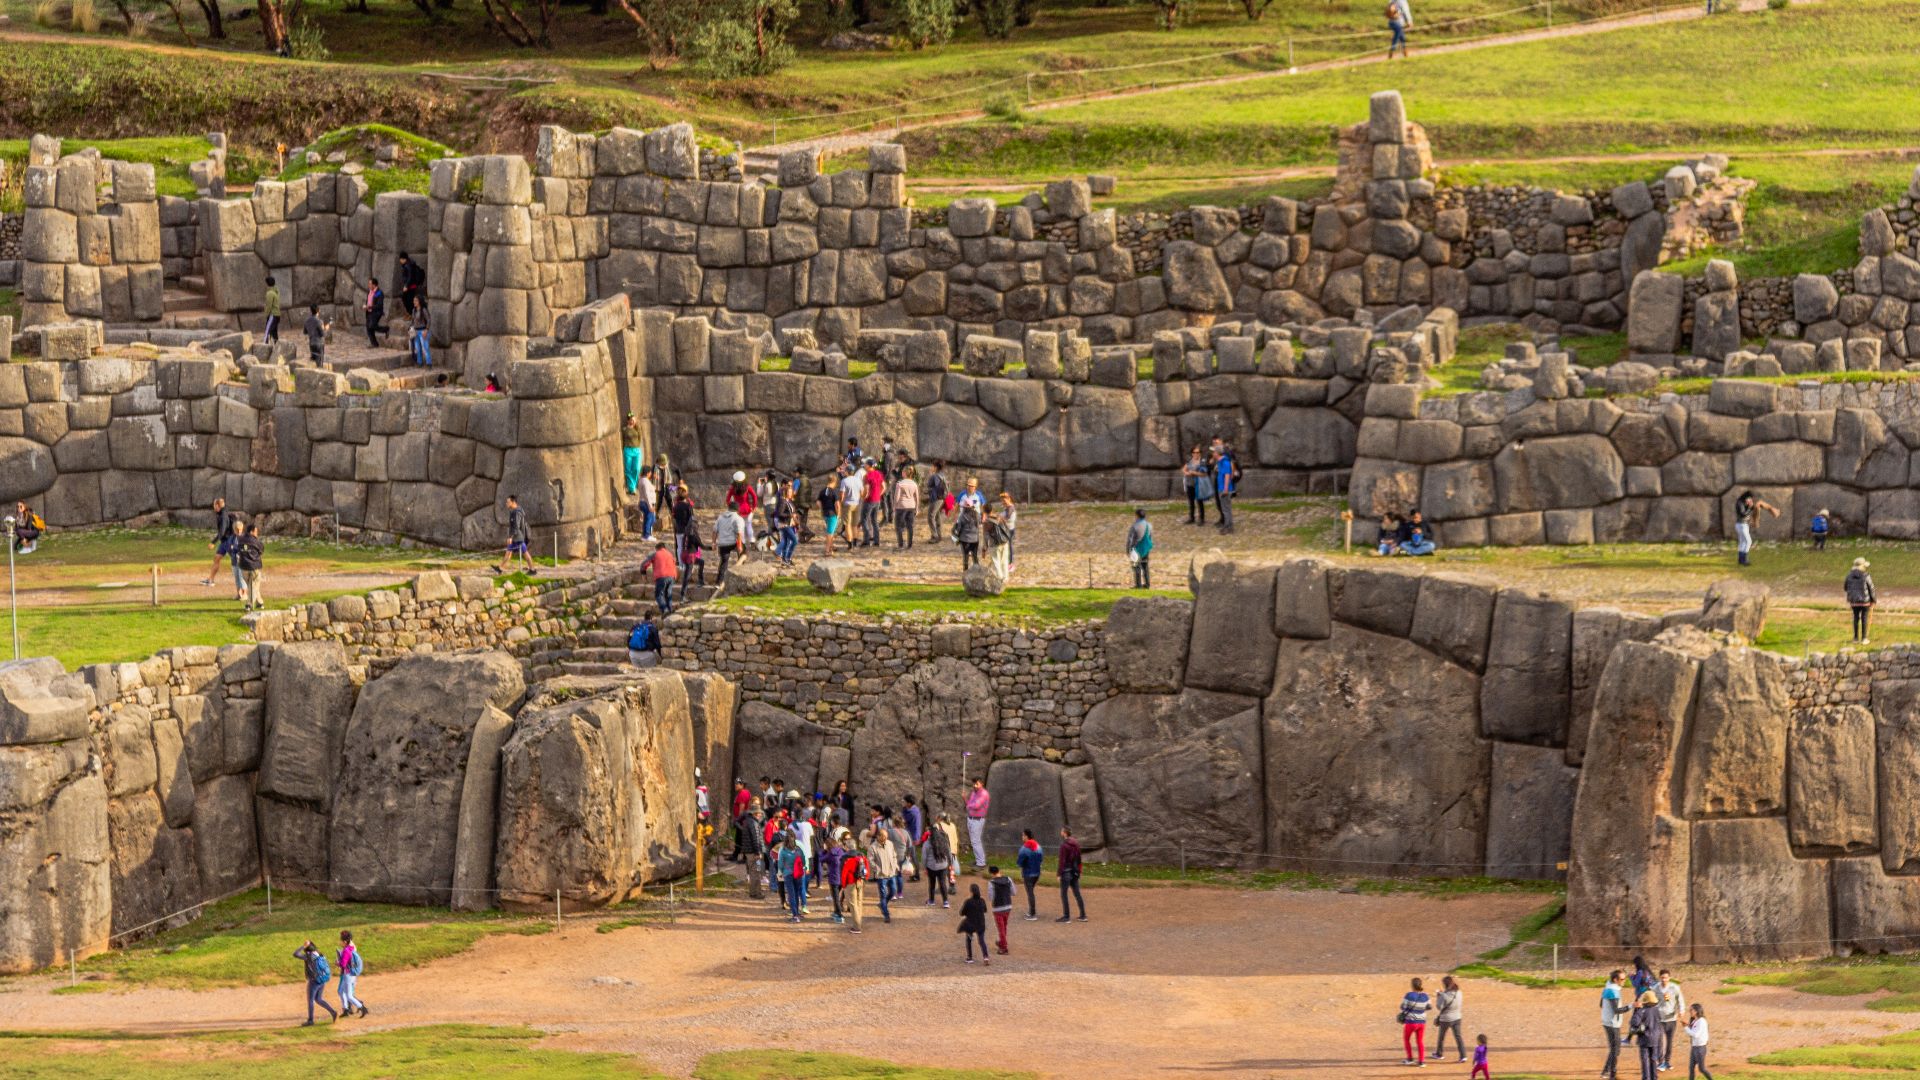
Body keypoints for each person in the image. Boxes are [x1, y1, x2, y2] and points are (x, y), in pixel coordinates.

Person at [294, 941, 338, 1025]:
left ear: (307, 949)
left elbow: (295, 954)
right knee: (318, 999)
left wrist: (303, 946)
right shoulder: (319, 954)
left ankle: (310, 1020)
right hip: (322, 980)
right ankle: (333, 1012)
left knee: (310, 1000)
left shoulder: (308, 956)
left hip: (314, 981)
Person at [1732, 490, 1779, 566]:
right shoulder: (1740, 503)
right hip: (1741, 525)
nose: (1750, 500)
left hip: (1744, 525)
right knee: (1748, 541)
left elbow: (1752, 510)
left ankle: (1741, 559)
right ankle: (1744, 559)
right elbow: (1743, 514)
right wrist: (1750, 508)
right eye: (1749, 498)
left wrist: (1751, 508)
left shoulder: (1744, 502)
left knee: (1742, 542)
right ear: (1746, 497)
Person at [492, 494, 536, 575]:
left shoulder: (516, 512)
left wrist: (510, 537)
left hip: (518, 538)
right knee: (509, 552)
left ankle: (532, 570)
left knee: (525, 553)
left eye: (508, 502)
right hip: (517, 537)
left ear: (513, 502)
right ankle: (500, 568)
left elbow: (516, 526)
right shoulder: (516, 511)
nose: (506, 503)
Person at [868, 820, 900, 923]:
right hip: (881, 875)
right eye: (883, 836)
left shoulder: (890, 844)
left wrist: (895, 865)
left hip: (891, 873)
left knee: (893, 891)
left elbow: (894, 855)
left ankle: (882, 904)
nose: (885, 839)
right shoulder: (873, 847)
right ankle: (886, 914)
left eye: (886, 837)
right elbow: (870, 860)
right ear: (878, 836)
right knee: (883, 894)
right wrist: (877, 869)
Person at [201, 496, 236, 587]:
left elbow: (222, 531)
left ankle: (250, 576)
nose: (213, 507)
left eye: (214, 505)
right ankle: (210, 580)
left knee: (237, 560)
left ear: (217, 505)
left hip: (229, 541)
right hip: (224, 541)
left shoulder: (223, 515)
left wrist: (213, 542)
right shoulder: (221, 513)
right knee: (216, 558)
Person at [1629, 989, 1664, 1080]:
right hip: (1656, 1038)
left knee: (1645, 1060)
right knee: (1653, 1059)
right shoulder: (1657, 1010)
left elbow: (1634, 1022)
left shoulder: (1642, 1010)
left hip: (1644, 1039)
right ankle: (1654, 1077)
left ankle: (1646, 1078)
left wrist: (1637, 1010)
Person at [1431, 975, 1465, 1063]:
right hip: (1457, 1017)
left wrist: (1439, 996)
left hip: (1446, 1019)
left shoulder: (1444, 996)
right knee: (1458, 1037)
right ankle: (1463, 1056)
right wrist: (1443, 994)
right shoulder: (1459, 992)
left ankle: (1439, 1054)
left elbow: (1439, 1007)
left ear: (1445, 985)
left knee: (1441, 1037)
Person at [1657, 969, 1687, 1071]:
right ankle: (1660, 1062)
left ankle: (1667, 1062)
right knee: (1660, 1041)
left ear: (1669, 978)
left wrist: (1681, 1011)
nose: (1664, 979)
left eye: (1666, 977)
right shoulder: (1655, 988)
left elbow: (1681, 1000)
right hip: (1659, 1019)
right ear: (1659, 978)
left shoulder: (1675, 988)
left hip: (1671, 1019)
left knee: (1669, 1042)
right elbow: (1650, 999)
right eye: (1662, 977)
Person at [1399, 976, 1431, 1066]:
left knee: (1406, 1039)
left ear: (1412, 985)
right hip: (1422, 1022)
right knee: (1420, 1041)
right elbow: (1429, 1007)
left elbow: (1403, 1007)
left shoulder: (1409, 995)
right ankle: (1421, 1061)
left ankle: (1410, 1058)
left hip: (1411, 1022)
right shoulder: (1425, 996)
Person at [1057, 826, 1086, 922]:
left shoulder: (1064, 845)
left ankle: (1066, 916)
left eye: (1062, 830)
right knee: (1077, 893)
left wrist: (1059, 874)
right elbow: (1079, 859)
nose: (1060, 832)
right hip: (1074, 872)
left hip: (1066, 872)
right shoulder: (1076, 844)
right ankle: (1083, 915)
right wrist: (1079, 871)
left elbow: (1062, 861)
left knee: (1064, 894)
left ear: (1065, 833)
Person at [336, 930, 368, 1018]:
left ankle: (362, 1008)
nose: (340, 942)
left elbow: (343, 964)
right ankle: (345, 1009)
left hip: (348, 975)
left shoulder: (346, 951)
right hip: (350, 974)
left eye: (341, 940)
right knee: (340, 991)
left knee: (349, 996)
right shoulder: (350, 948)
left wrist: (337, 963)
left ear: (345, 942)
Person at [1602, 970, 1627, 1080]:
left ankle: (1607, 1071)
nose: (1624, 981)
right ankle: (1611, 1074)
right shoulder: (1612, 991)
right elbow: (1617, 1010)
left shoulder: (1608, 988)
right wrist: (1631, 1006)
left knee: (1615, 1049)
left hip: (1608, 1022)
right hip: (1612, 1024)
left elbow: (1600, 1004)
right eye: (1622, 979)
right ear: (1615, 980)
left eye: (1624, 978)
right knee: (1615, 1050)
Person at [925, 813, 954, 907]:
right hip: (943, 866)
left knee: (932, 884)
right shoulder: (944, 841)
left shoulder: (927, 843)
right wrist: (950, 864)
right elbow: (949, 854)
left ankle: (931, 901)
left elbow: (924, 857)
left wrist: (925, 867)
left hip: (931, 867)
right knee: (943, 883)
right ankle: (946, 902)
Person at [236, 522, 265, 612]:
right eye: (256, 531)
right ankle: (249, 604)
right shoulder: (257, 541)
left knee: (252, 586)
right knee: (254, 585)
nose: (257, 533)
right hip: (254, 567)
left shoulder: (240, 539)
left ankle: (260, 602)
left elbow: (238, 550)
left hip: (243, 567)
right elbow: (261, 550)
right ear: (252, 532)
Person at [958, 883, 990, 965]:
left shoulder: (968, 902)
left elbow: (962, 913)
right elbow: (985, 910)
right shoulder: (982, 900)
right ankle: (986, 956)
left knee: (968, 940)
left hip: (970, 924)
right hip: (980, 924)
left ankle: (969, 957)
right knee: (982, 941)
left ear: (971, 892)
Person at [841, 840, 868, 934]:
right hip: (860, 881)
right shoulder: (861, 856)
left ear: (847, 847)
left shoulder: (845, 858)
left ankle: (857, 927)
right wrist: (865, 879)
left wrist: (843, 885)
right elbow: (866, 868)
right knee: (859, 902)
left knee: (852, 903)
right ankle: (858, 922)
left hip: (850, 882)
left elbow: (844, 873)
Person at [1847, 557, 1876, 645]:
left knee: (1856, 618)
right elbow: (1871, 588)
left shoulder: (1849, 576)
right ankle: (1864, 638)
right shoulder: (1866, 575)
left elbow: (1845, 587)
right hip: (1865, 602)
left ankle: (1855, 638)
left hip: (1854, 601)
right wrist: (1873, 600)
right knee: (1864, 618)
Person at [1017, 829, 1044, 920]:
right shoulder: (1038, 847)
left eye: (1023, 835)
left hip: (1028, 874)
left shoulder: (1024, 849)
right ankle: (1031, 912)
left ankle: (1032, 914)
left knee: (1030, 893)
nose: (1022, 837)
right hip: (1037, 874)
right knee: (1031, 892)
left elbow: (1020, 863)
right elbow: (1041, 859)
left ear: (1026, 836)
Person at [714, 505, 747, 582]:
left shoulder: (720, 517)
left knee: (724, 561)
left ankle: (719, 582)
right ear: (737, 510)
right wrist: (739, 546)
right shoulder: (738, 518)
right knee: (744, 553)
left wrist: (713, 543)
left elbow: (714, 531)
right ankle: (740, 570)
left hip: (722, 544)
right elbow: (739, 533)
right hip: (733, 542)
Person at [964, 778, 991, 869]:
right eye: (974, 784)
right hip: (971, 819)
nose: (974, 786)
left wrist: (969, 805)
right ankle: (979, 860)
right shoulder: (973, 793)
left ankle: (981, 863)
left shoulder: (984, 794)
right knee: (974, 841)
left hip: (978, 820)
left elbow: (976, 806)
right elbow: (969, 805)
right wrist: (965, 799)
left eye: (977, 784)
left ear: (982, 784)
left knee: (976, 841)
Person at [860, 458, 886, 548]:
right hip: (877, 500)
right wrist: (878, 494)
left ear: (869, 465)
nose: (864, 465)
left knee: (864, 520)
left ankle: (866, 541)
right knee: (874, 520)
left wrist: (862, 497)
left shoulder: (867, 476)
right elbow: (884, 487)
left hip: (869, 500)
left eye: (866, 464)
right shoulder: (879, 473)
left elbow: (866, 490)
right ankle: (876, 541)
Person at [988, 865, 1014, 954]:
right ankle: (1002, 942)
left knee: (1001, 928)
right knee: (1004, 926)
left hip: (998, 908)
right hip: (1008, 906)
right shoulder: (1008, 879)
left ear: (991, 873)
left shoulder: (991, 883)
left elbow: (991, 897)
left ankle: (1003, 947)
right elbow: (1014, 892)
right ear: (999, 871)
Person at [1212, 445, 1239, 534]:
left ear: (1217, 453)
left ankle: (1228, 527)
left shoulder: (1225, 462)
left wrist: (1226, 489)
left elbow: (1228, 476)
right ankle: (1229, 526)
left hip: (1224, 489)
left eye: (1214, 452)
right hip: (1221, 487)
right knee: (1225, 508)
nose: (1213, 453)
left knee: (1226, 509)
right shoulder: (1220, 462)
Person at [646, 542, 677, 615]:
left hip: (661, 576)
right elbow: (674, 564)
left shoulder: (656, 554)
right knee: (668, 594)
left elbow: (645, 563)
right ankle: (670, 609)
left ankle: (664, 609)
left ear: (657, 548)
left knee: (658, 595)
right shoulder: (670, 554)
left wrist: (643, 572)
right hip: (672, 576)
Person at [893, 466, 920, 549]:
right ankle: (910, 545)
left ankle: (900, 544)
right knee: (910, 526)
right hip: (911, 506)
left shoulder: (900, 484)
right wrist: (917, 508)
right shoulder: (914, 484)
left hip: (901, 506)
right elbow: (917, 497)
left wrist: (894, 507)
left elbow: (896, 497)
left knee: (898, 526)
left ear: (904, 473)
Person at [1182, 446, 1210, 525]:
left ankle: (1201, 518)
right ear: (1192, 453)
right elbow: (1184, 469)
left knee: (1199, 502)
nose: (1196, 454)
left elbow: (1204, 474)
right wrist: (1187, 473)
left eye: (1197, 452)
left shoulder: (1202, 462)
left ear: (1200, 453)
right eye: (1194, 452)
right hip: (1189, 484)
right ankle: (1191, 517)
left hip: (1198, 485)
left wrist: (1194, 473)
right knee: (1191, 502)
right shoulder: (1190, 461)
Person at [817, 471, 843, 556]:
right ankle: (827, 550)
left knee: (830, 530)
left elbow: (818, 503)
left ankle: (831, 546)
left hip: (825, 514)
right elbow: (837, 505)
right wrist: (838, 514)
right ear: (835, 481)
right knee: (830, 533)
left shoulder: (822, 491)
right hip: (832, 514)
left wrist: (822, 509)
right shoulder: (834, 492)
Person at [925, 461, 951, 543]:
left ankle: (934, 536)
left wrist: (929, 490)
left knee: (930, 516)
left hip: (936, 499)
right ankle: (939, 535)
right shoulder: (942, 475)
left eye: (932, 466)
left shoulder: (935, 476)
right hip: (942, 498)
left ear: (935, 467)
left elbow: (935, 487)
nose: (931, 468)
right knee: (937, 516)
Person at [1127, 508, 1153, 588]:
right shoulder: (1149, 525)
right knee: (1145, 566)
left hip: (1136, 549)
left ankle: (1138, 585)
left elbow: (1130, 540)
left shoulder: (1134, 526)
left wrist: (1128, 550)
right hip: (1145, 549)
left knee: (1137, 567)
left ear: (1137, 516)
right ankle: (1147, 584)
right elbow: (1150, 537)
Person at [1685, 1004, 1712, 1080]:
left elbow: (1696, 1034)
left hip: (1700, 1048)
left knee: (1701, 1069)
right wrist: (1687, 1026)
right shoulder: (1695, 1021)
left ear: (1696, 1011)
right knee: (1691, 1068)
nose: (1689, 1012)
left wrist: (1686, 1028)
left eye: (1691, 1010)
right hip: (1694, 1047)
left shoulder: (1702, 1021)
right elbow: (1693, 1032)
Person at [773, 489, 799, 566]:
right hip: (784, 524)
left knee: (787, 542)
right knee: (794, 541)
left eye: (791, 492)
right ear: (785, 493)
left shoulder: (789, 501)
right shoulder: (783, 501)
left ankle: (785, 560)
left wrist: (795, 517)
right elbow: (780, 513)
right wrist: (790, 515)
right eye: (789, 492)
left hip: (790, 524)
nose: (790, 493)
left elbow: (792, 512)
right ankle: (788, 558)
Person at [955, 499, 983, 570]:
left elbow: (959, 528)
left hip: (965, 539)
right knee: (975, 556)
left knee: (966, 556)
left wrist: (957, 536)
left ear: (964, 507)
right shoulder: (977, 514)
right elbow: (980, 522)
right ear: (972, 507)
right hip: (975, 539)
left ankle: (965, 571)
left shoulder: (962, 516)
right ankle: (977, 571)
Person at [998, 492, 1019, 570]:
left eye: (1005, 500)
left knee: (1009, 547)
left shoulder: (1010, 508)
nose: (1003, 502)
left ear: (1009, 499)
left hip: (1009, 530)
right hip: (1005, 529)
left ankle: (1010, 564)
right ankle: (1006, 562)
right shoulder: (1006, 508)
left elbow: (1007, 517)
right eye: (1002, 500)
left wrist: (998, 518)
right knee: (1005, 547)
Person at [363, 277, 386, 348]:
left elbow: (379, 305)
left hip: (376, 312)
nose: (369, 285)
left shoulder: (379, 293)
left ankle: (386, 329)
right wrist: (366, 306)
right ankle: (375, 344)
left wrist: (369, 307)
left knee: (372, 326)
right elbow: (369, 301)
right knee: (368, 328)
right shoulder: (369, 292)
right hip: (369, 312)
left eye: (370, 284)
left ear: (374, 285)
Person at [409, 302, 431, 367]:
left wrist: (426, 330)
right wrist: (410, 328)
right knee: (417, 348)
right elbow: (412, 321)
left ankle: (429, 363)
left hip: (423, 330)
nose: (414, 302)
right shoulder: (414, 310)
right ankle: (419, 362)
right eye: (414, 301)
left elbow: (428, 320)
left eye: (416, 301)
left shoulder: (423, 310)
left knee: (425, 347)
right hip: (416, 331)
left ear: (419, 301)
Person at [263, 274, 281, 346]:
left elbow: (269, 306)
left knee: (267, 331)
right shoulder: (276, 292)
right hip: (277, 315)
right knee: (274, 332)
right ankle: (277, 346)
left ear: (267, 284)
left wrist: (266, 314)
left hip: (272, 315)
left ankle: (265, 346)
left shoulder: (270, 293)